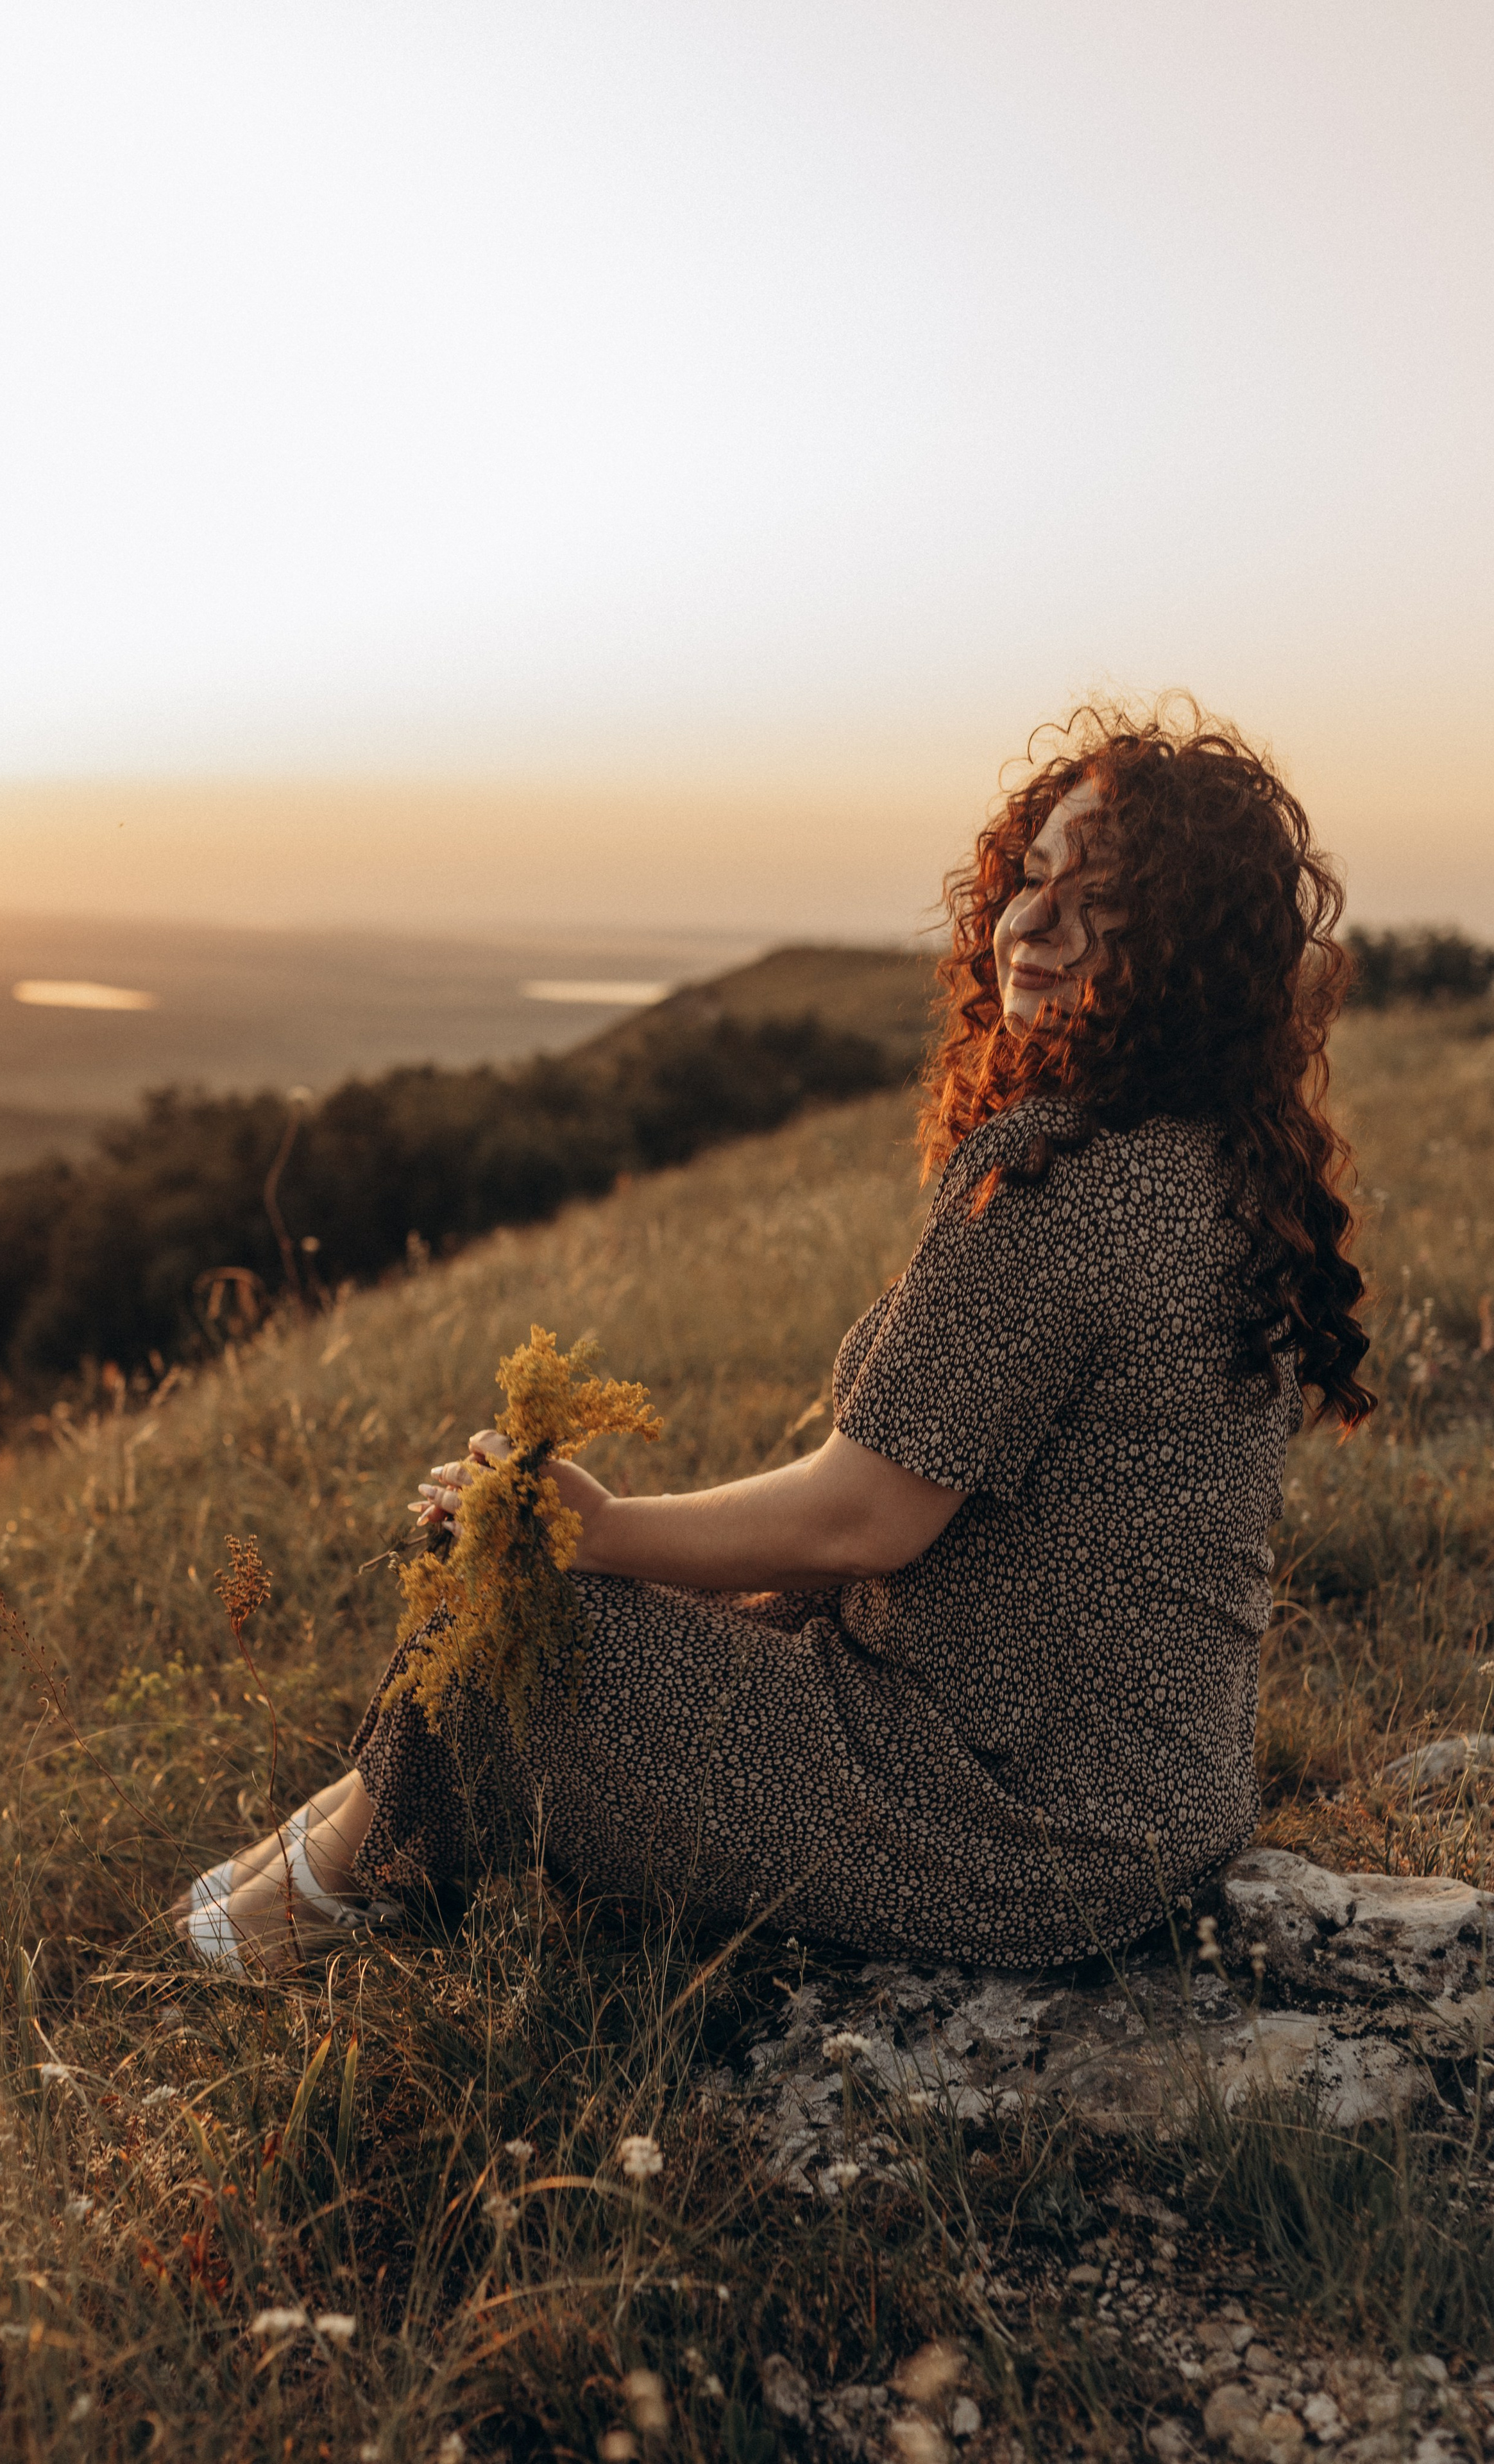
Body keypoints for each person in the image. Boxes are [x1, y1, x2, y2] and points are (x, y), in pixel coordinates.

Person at [175, 702, 1371, 1974]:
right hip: (1132, 1801)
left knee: (515, 1634)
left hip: (1010, 1821)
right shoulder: (1215, 1156)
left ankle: (276, 1924)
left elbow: (863, 1523)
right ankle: (316, 1870)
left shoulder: (1055, 1181)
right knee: (517, 1603)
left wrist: (599, 1532)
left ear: (1185, 946)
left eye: (1100, 907)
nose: (1030, 926)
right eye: (1030, 884)